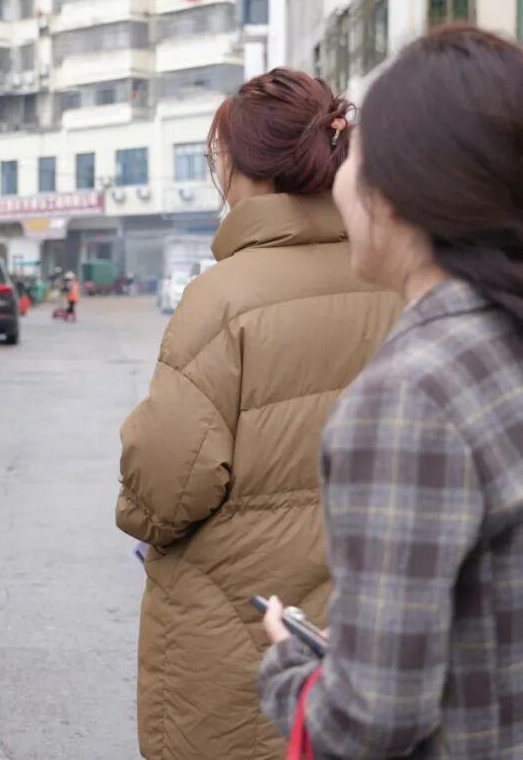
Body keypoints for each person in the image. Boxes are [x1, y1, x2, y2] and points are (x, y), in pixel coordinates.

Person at [259, 27, 523, 758]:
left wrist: (289, 668)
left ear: (395, 195)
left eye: (353, 157)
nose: (339, 181)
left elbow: (369, 720)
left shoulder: (409, 401)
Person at [115, 69, 400, 759]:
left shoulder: (222, 298)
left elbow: (167, 489)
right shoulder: (396, 281)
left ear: (247, 167)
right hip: (367, 617)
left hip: (233, 623)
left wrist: (136, 507)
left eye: (219, 155)